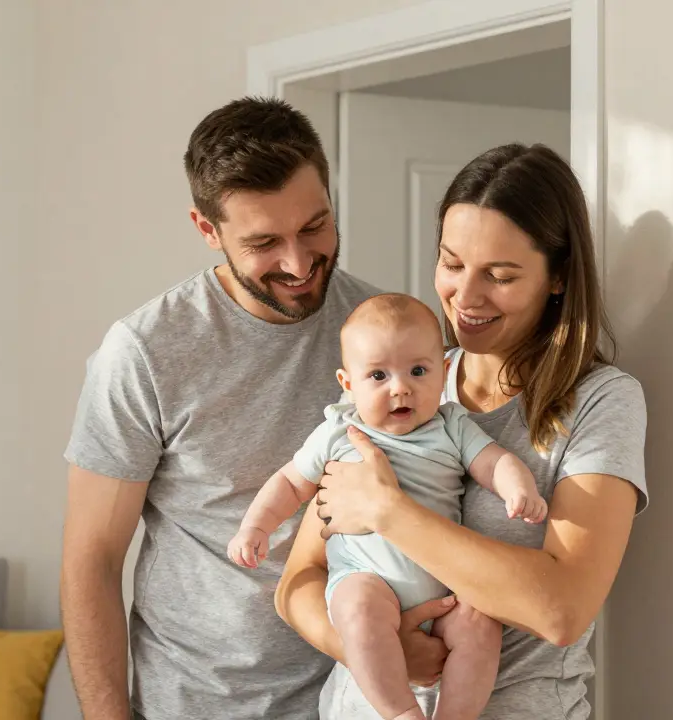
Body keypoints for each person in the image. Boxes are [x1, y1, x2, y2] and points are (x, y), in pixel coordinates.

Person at [275, 143, 650, 720]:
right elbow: (298, 582)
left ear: (557, 277)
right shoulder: (394, 383)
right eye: (451, 264)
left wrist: (389, 511)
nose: (465, 298)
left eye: (499, 276)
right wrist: (375, 649)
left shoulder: (601, 401)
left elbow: (561, 611)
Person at [59, 96, 400, 720]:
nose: (298, 263)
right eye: (264, 242)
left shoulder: (388, 333)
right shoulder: (145, 351)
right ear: (207, 230)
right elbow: (92, 561)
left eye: (315, 226)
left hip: (361, 699)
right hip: (198, 703)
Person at [227, 292, 547, 720]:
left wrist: (517, 487)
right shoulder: (339, 432)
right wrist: (255, 527)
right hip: (366, 577)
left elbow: (493, 461)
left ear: (443, 371)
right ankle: (401, 713)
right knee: (358, 611)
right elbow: (289, 481)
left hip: (445, 589)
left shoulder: (451, 426)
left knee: (480, 624)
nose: (400, 387)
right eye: (378, 375)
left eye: (418, 371)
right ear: (348, 384)